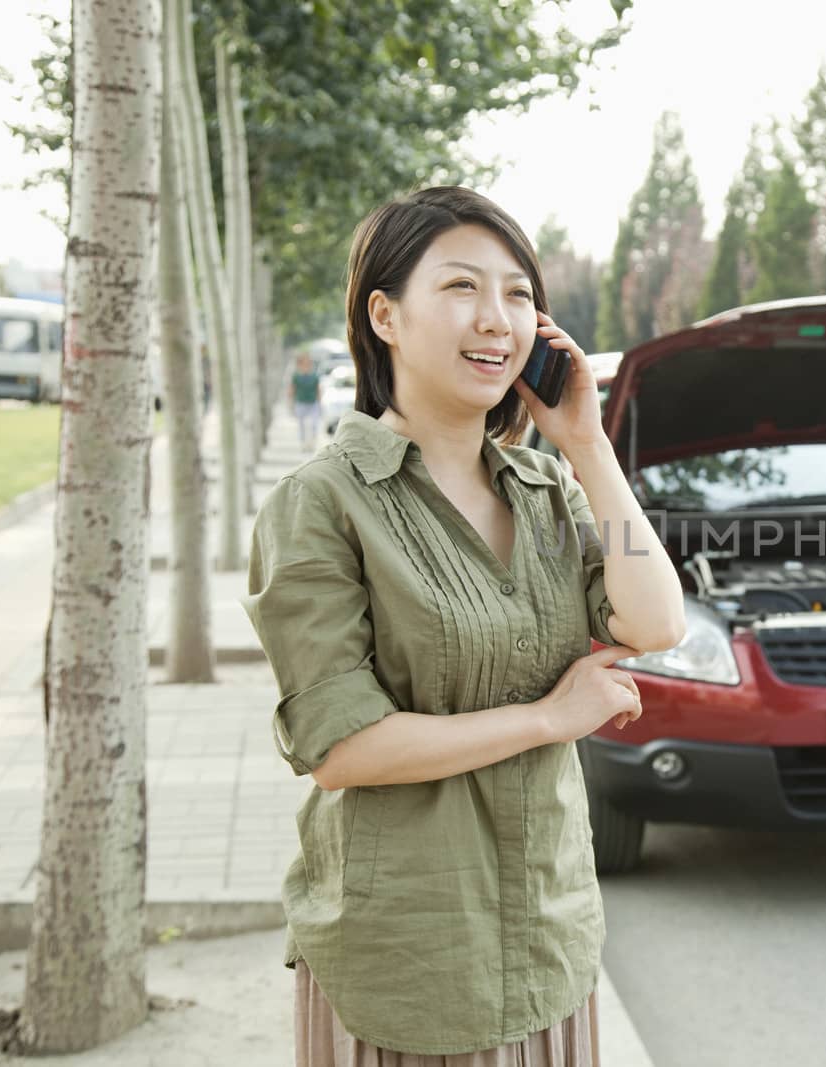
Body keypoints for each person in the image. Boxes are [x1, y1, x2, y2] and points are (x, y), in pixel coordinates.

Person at [243, 185, 686, 1065]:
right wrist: (551, 719)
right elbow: (342, 748)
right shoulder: (321, 504)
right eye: (460, 288)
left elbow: (657, 619)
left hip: (549, 937)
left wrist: (589, 449)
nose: (497, 318)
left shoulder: (546, 486)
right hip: (408, 964)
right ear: (385, 315)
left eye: (519, 293)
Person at [289, 351, 324, 450]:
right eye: (304, 362)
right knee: (301, 425)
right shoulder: (296, 376)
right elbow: (292, 389)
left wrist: (319, 403)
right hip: (300, 403)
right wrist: (291, 403)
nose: (306, 365)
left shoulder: (314, 376)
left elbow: (318, 389)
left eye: (308, 363)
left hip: (313, 403)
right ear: (300, 364)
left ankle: (312, 442)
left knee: (314, 423)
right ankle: (303, 443)